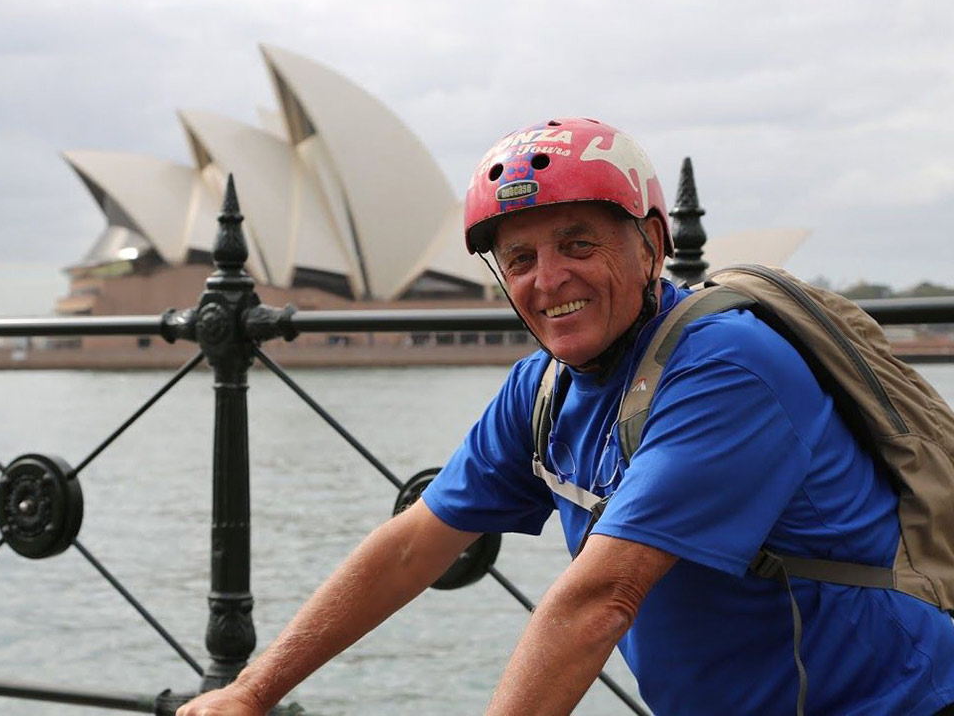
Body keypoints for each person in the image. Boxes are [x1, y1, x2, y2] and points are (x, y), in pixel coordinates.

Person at [178, 118, 954, 715]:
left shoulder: (726, 367)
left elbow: (599, 599)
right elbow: (413, 546)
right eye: (520, 260)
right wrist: (251, 690)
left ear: (652, 245)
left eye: (577, 244)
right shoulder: (544, 387)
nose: (549, 280)